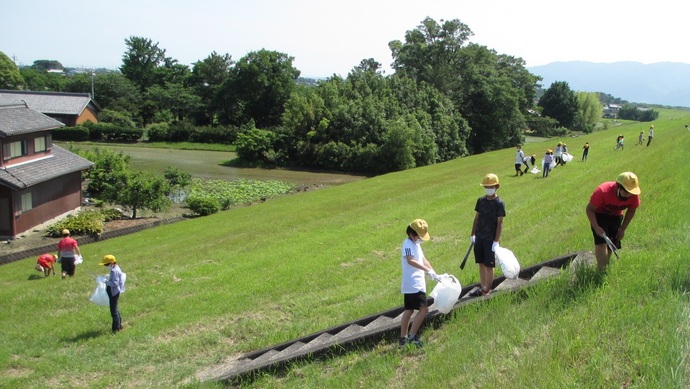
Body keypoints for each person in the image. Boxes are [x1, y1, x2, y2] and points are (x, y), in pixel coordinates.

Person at [585, 172, 641, 271]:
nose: (629, 195)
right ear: (618, 187)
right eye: (627, 192)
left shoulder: (633, 195)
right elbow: (589, 209)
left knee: (611, 244)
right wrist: (596, 226)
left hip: (616, 217)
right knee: (602, 243)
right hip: (599, 216)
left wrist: (623, 229)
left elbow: (632, 210)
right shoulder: (602, 191)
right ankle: (601, 270)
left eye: (631, 193)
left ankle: (605, 265)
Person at [399, 219, 439, 348]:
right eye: (419, 236)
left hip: (415, 283)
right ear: (411, 234)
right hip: (413, 283)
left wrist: (432, 270)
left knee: (409, 310)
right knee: (424, 309)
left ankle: (403, 339)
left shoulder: (416, 244)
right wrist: (426, 270)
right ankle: (411, 337)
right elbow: (411, 261)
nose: (420, 239)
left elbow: (422, 259)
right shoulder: (407, 244)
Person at [469, 173, 506, 297]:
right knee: (481, 263)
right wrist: (473, 234)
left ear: (496, 186)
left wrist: (496, 241)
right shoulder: (480, 201)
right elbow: (476, 218)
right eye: (486, 186)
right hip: (480, 237)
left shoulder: (499, 203)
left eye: (490, 186)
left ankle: (487, 290)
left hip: (491, 239)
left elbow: (500, 223)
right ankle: (482, 286)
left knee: (489, 265)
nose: (488, 189)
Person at [100, 255, 125, 334]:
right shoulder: (117, 268)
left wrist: (105, 281)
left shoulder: (114, 271)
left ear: (112, 263)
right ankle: (120, 326)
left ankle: (116, 329)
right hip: (116, 292)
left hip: (113, 292)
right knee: (116, 309)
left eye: (106, 265)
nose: (106, 266)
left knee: (113, 311)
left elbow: (114, 283)